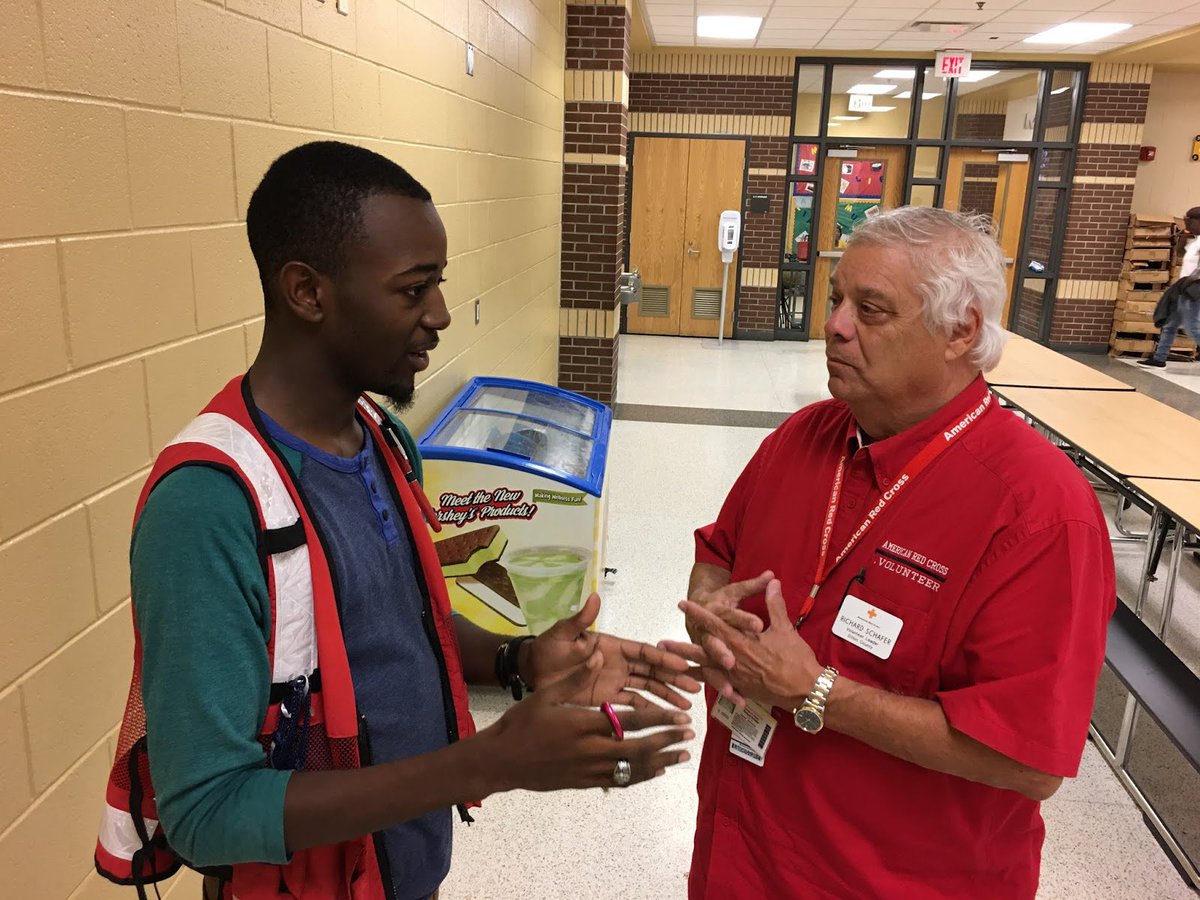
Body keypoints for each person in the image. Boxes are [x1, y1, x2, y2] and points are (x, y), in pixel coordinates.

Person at [94, 141, 699, 900]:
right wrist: (489, 762)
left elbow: (398, 628)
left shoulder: (382, 437)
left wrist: (519, 661)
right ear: (307, 292)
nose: (441, 315)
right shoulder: (209, 505)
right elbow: (204, 813)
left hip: (401, 865)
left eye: (437, 285)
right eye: (413, 291)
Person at [662, 207, 1116, 899]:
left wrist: (816, 692)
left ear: (960, 331)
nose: (836, 325)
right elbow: (719, 552)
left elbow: (1028, 762)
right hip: (740, 848)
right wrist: (710, 614)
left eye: (870, 310)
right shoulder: (806, 436)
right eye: (837, 298)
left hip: (887, 878)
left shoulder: (1036, 512)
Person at [1139, 205, 1200, 368]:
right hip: (1185, 288)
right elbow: (1180, 254)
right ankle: (1159, 359)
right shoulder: (1196, 241)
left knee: (1193, 327)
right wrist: (1184, 235)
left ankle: (1159, 358)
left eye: (1191, 221)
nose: (1188, 223)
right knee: (1170, 325)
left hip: (1194, 290)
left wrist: (1191, 280)